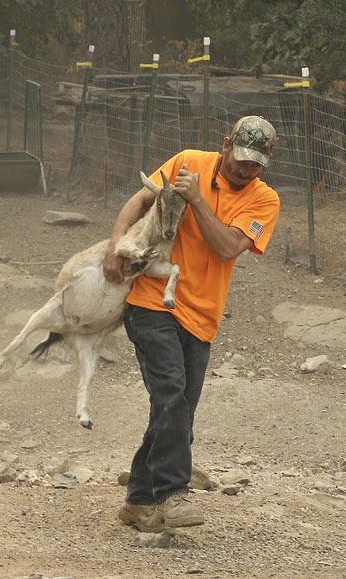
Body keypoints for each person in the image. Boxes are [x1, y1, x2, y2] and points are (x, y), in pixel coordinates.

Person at [104, 116, 281, 533]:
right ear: (225, 145)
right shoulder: (188, 161)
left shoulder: (264, 201)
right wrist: (116, 246)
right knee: (170, 396)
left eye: (254, 165)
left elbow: (226, 250)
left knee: (178, 409)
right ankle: (173, 494)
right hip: (152, 301)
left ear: (267, 163)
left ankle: (138, 502)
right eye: (239, 160)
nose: (243, 170)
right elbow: (141, 200)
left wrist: (199, 200)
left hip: (202, 317)